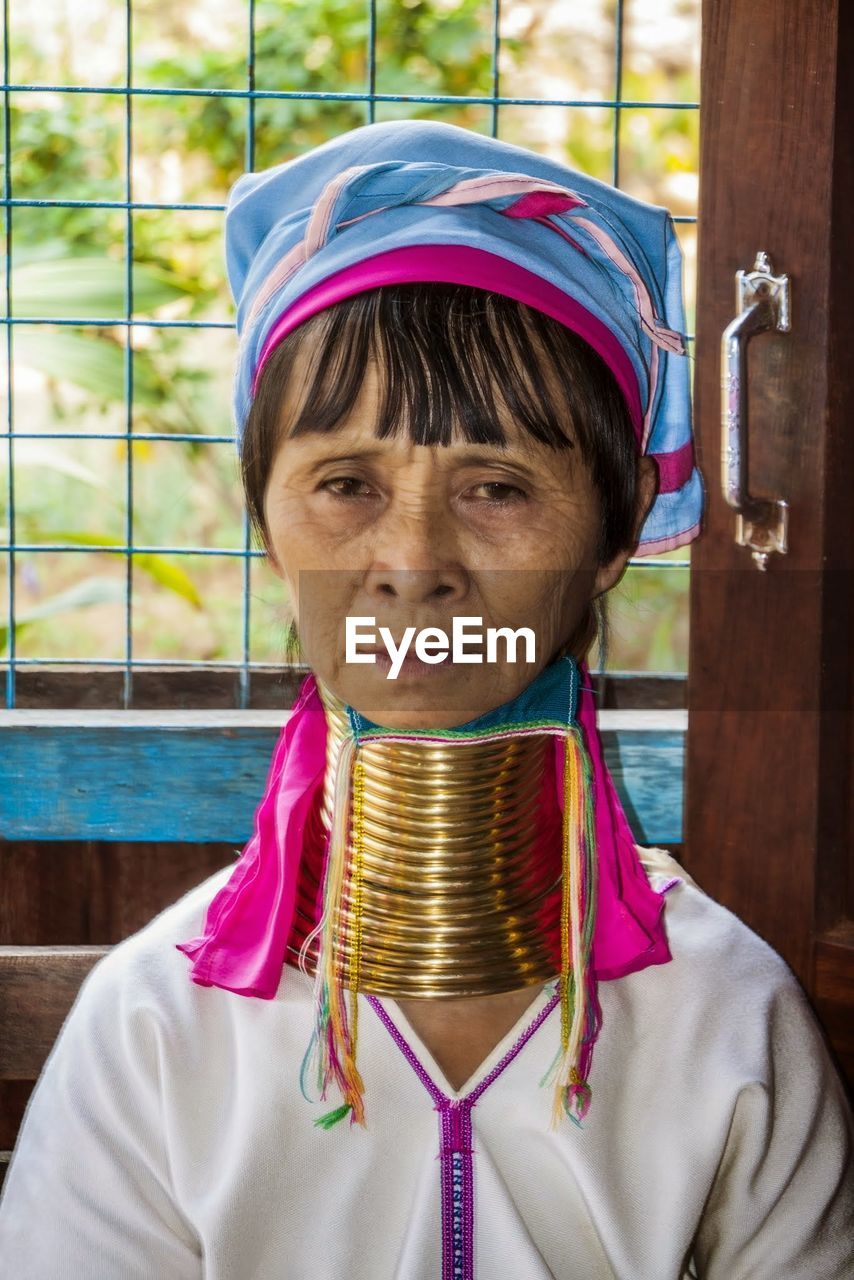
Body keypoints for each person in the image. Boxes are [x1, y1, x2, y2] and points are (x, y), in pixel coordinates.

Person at [0, 118, 851, 1279]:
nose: (412, 558)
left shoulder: (722, 1017)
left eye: (497, 486)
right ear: (266, 527)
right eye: (343, 483)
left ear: (610, 540)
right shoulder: (158, 1029)